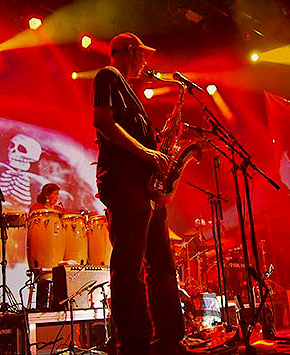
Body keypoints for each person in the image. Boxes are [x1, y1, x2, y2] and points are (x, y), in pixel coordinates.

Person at [92, 33, 185, 354]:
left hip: (145, 190)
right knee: (129, 267)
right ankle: (133, 342)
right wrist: (148, 154)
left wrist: (160, 154)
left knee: (162, 266)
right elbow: (103, 121)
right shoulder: (108, 76)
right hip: (125, 184)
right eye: (143, 55)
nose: (146, 63)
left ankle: (170, 337)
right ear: (130, 51)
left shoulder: (130, 92)